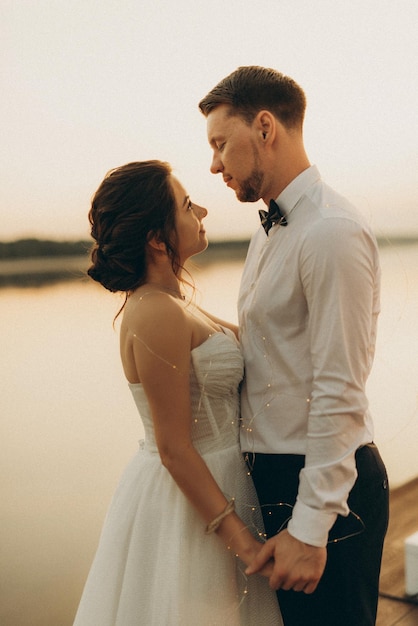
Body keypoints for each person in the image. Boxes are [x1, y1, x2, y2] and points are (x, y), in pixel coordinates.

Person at [198, 66, 389, 626]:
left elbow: (340, 389)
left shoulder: (331, 232)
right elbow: (269, 350)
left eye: (219, 144)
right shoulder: (267, 231)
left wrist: (311, 526)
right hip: (274, 478)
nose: (214, 165)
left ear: (264, 127)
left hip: (327, 488)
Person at [73, 160, 282, 625]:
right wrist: (241, 540)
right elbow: (173, 446)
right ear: (155, 237)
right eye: (187, 205)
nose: (202, 210)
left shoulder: (174, 306)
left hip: (219, 482)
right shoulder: (155, 313)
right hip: (192, 500)